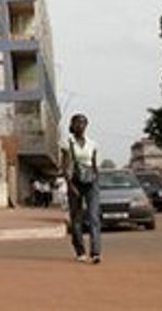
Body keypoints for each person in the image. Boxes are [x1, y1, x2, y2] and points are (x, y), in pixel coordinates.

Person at [61, 113, 101, 264]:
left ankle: (95, 252)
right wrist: (70, 186)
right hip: (75, 182)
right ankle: (80, 251)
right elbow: (65, 166)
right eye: (77, 123)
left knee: (93, 217)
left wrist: (96, 179)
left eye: (83, 123)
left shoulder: (92, 144)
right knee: (76, 218)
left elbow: (95, 165)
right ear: (72, 125)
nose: (80, 125)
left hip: (91, 182)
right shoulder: (67, 143)